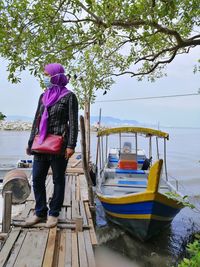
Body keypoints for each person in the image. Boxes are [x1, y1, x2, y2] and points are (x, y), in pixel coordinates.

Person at [26, 63, 78, 227]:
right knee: (37, 179)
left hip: (59, 145)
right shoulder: (43, 96)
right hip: (40, 144)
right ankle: (40, 212)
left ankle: (53, 213)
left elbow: (74, 123)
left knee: (58, 180)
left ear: (56, 76)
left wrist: (71, 145)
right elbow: (37, 120)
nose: (45, 78)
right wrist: (30, 143)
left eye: (47, 75)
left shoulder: (69, 97)